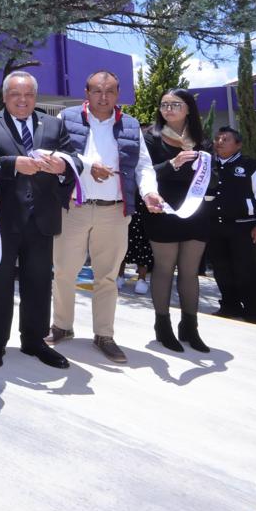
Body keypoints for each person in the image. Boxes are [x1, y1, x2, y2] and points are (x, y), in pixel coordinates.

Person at [51, 71, 163, 363]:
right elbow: (56, 155)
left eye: (110, 91)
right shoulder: (66, 118)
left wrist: (150, 192)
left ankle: (104, 335)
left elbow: (143, 166)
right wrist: (89, 166)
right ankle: (62, 326)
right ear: (86, 92)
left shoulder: (131, 125)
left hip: (114, 210)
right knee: (64, 271)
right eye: (97, 91)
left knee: (107, 277)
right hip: (73, 208)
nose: (103, 97)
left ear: (118, 94)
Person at [0, 72, 78, 370]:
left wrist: (62, 166)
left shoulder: (53, 124)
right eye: (15, 94)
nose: (22, 100)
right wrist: (14, 165)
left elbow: (73, 159)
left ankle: (34, 340)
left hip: (42, 219)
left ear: (36, 97)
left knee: (39, 283)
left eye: (28, 95)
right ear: (4, 96)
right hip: (3, 220)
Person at [141, 88, 213, 353]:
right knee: (164, 268)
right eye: (164, 104)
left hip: (196, 213)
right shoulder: (150, 138)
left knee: (189, 271)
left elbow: (211, 177)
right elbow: (145, 174)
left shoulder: (202, 141)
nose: (168, 109)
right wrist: (173, 164)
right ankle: (163, 326)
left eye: (175, 104)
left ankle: (190, 327)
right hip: (163, 211)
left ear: (188, 108)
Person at [207, 126, 256, 323]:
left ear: (238, 145)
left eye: (225, 139)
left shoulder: (251, 166)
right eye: (217, 138)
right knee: (221, 269)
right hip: (215, 227)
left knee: (247, 270)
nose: (219, 142)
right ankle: (229, 305)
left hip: (244, 228)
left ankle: (253, 311)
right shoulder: (208, 166)